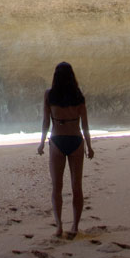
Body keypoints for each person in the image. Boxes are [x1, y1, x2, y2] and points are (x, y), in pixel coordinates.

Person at [37, 61, 94, 238]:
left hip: (57, 141)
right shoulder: (78, 95)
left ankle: (59, 226)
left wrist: (40, 143)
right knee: (77, 186)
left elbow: (46, 122)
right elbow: (85, 125)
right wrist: (89, 146)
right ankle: (75, 226)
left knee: (57, 187)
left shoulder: (49, 95)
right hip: (76, 141)